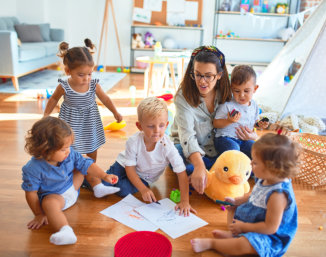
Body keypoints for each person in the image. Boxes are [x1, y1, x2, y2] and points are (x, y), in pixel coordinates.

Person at [191, 133, 301, 256]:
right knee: (236, 211)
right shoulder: (267, 177)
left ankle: (212, 244)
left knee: (244, 245)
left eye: (255, 163)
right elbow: (255, 195)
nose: (251, 164)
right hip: (258, 219)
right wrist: (237, 201)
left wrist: (244, 227)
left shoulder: (278, 196)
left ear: (272, 168)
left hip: (271, 236)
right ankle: (234, 235)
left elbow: (270, 228)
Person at [22, 117, 119, 245]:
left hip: (73, 186)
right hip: (57, 199)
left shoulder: (69, 153)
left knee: (85, 162)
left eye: (69, 147)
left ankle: (98, 188)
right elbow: (31, 193)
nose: (68, 151)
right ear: (45, 150)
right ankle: (65, 230)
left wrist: (104, 176)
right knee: (49, 203)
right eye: (63, 149)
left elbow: (87, 165)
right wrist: (39, 214)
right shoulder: (33, 169)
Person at [44, 39, 122, 198]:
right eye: (81, 75)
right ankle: (72, 179)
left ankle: (91, 176)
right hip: (70, 123)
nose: (86, 78)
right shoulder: (64, 86)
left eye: (89, 73)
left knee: (92, 149)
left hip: (90, 122)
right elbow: (52, 100)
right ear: (68, 71)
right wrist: (46, 115)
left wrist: (115, 112)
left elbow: (105, 99)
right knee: (71, 151)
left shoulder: (93, 84)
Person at [103, 97, 195, 216]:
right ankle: (89, 175)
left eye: (161, 126)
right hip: (122, 165)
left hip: (144, 177)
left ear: (167, 124)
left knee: (124, 190)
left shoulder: (168, 147)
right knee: (105, 183)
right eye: (151, 126)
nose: (157, 131)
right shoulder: (133, 141)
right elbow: (129, 169)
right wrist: (143, 189)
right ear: (139, 126)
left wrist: (185, 201)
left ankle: (109, 180)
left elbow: (181, 174)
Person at [170, 46, 232, 194]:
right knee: (178, 162)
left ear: (219, 75)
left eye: (208, 76)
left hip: (214, 146)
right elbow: (187, 136)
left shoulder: (226, 93)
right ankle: (208, 170)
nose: (202, 82)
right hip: (186, 147)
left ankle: (209, 170)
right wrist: (199, 166)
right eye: (198, 75)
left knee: (238, 153)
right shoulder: (183, 97)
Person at [213, 65, 269, 159]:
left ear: (255, 89)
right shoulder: (228, 104)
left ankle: (251, 171)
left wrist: (259, 124)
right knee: (234, 150)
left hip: (244, 140)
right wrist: (229, 121)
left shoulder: (254, 105)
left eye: (246, 91)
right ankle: (213, 163)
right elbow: (215, 123)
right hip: (225, 138)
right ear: (231, 88)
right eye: (237, 91)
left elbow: (254, 123)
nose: (241, 95)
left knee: (257, 151)